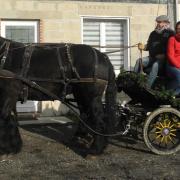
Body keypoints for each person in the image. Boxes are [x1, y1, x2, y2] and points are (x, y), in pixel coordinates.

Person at [134, 15, 175, 88]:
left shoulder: (171, 33)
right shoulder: (153, 33)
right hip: (152, 58)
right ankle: (134, 82)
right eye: (157, 22)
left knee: (155, 66)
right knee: (139, 61)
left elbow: (173, 48)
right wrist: (143, 47)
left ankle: (147, 87)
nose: (157, 24)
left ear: (166, 23)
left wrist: (164, 55)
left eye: (159, 22)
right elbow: (148, 46)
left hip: (164, 60)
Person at [166, 21, 180, 95]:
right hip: (172, 66)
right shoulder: (172, 39)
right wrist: (179, 66)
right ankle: (169, 94)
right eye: (178, 29)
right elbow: (170, 56)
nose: (179, 30)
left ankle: (173, 94)